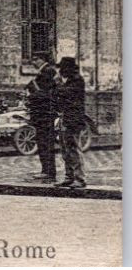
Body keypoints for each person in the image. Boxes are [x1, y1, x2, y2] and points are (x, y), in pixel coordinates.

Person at [55, 57, 88, 190]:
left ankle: (80, 178)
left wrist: (58, 85)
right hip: (65, 118)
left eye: (62, 68)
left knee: (73, 148)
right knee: (65, 150)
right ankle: (69, 177)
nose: (60, 71)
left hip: (73, 119)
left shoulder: (77, 80)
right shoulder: (69, 80)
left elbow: (66, 93)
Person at [24, 63, 58, 183]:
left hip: (46, 117)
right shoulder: (45, 77)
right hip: (41, 117)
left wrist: (33, 94)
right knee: (42, 144)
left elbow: (47, 97)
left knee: (46, 145)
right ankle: (46, 171)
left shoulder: (48, 78)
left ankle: (49, 172)